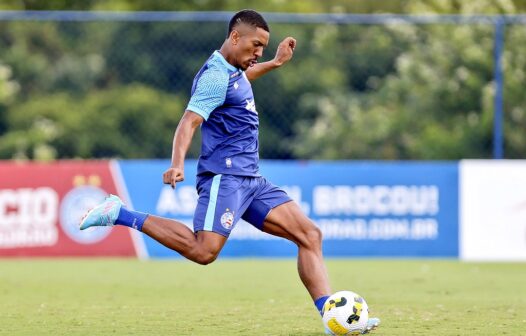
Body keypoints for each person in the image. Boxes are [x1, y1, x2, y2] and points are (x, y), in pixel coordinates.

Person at [80, 9, 379, 334]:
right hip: (226, 179)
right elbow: (188, 121)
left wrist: (275, 64)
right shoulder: (214, 76)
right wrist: (177, 163)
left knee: (309, 235)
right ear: (235, 37)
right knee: (203, 251)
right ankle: (119, 213)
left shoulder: (233, 72)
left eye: (264, 47)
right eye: (256, 45)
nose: (259, 53)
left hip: (252, 180)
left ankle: (331, 317)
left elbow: (242, 82)